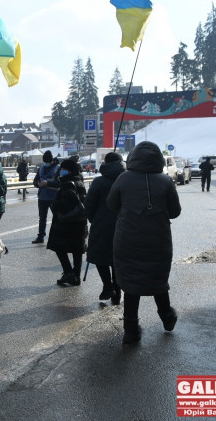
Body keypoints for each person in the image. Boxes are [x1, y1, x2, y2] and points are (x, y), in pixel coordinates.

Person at [107, 141, 181, 344]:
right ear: (158, 159)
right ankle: (167, 316)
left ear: (132, 158)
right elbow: (175, 212)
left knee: (131, 283)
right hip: (159, 239)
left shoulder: (123, 178)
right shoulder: (166, 181)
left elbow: (111, 204)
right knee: (157, 279)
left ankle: (130, 331)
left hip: (127, 239)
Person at [85, 152, 125, 304]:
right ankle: (117, 292)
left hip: (101, 224)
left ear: (106, 163)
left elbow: (89, 204)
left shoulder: (99, 181)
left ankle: (107, 286)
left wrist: (94, 219)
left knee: (100, 256)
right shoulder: (127, 180)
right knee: (118, 259)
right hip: (124, 224)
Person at [45, 158, 88, 286]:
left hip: (66, 223)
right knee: (77, 250)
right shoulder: (79, 181)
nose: (61, 171)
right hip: (79, 222)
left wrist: (55, 206)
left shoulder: (68, 183)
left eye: (63, 169)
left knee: (59, 248)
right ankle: (76, 276)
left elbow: (68, 203)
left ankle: (69, 273)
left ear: (68, 170)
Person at [31, 151, 60, 244]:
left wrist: (47, 183)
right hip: (42, 197)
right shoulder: (41, 168)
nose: (46, 163)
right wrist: (38, 184)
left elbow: (60, 183)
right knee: (42, 218)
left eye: (47, 161)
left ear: (51, 161)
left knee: (57, 217)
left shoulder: (58, 169)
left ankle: (57, 236)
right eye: (45, 161)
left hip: (54, 197)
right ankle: (40, 236)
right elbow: (35, 181)